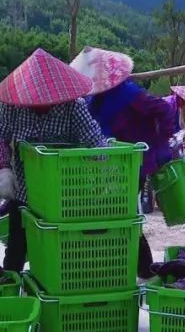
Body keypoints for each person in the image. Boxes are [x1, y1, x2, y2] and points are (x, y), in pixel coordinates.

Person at [0, 48, 107, 272]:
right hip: (25, 193)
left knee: (63, 256)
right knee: (15, 253)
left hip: (66, 196)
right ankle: (14, 297)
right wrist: (3, 167)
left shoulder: (74, 106)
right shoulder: (13, 107)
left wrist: (103, 174)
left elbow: (97, 144)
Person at [70, 46, 177, 277]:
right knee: (107, 215)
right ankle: (118, 267)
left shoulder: (129, 94)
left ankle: (145, 269)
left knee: (124, 215)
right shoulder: (91, 100)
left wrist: (160, 141)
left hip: (131, 165)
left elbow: (164, 110)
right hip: (103, 168)